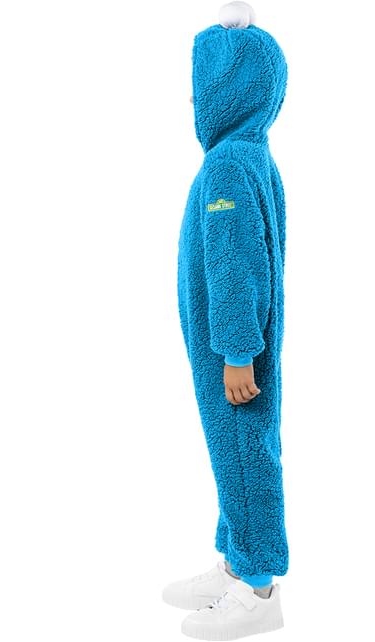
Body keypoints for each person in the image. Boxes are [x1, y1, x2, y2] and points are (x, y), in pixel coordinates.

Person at [162, 2, 289, 638]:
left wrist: (237, 349)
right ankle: (238, 561)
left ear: (227, 89)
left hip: (231, 350)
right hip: (231, 342)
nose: (192, 101)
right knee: (234, 450)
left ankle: (259, 589)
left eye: (199, 88)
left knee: (243, 453)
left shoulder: (227, 166)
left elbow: (238, 261)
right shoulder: (251, 154)